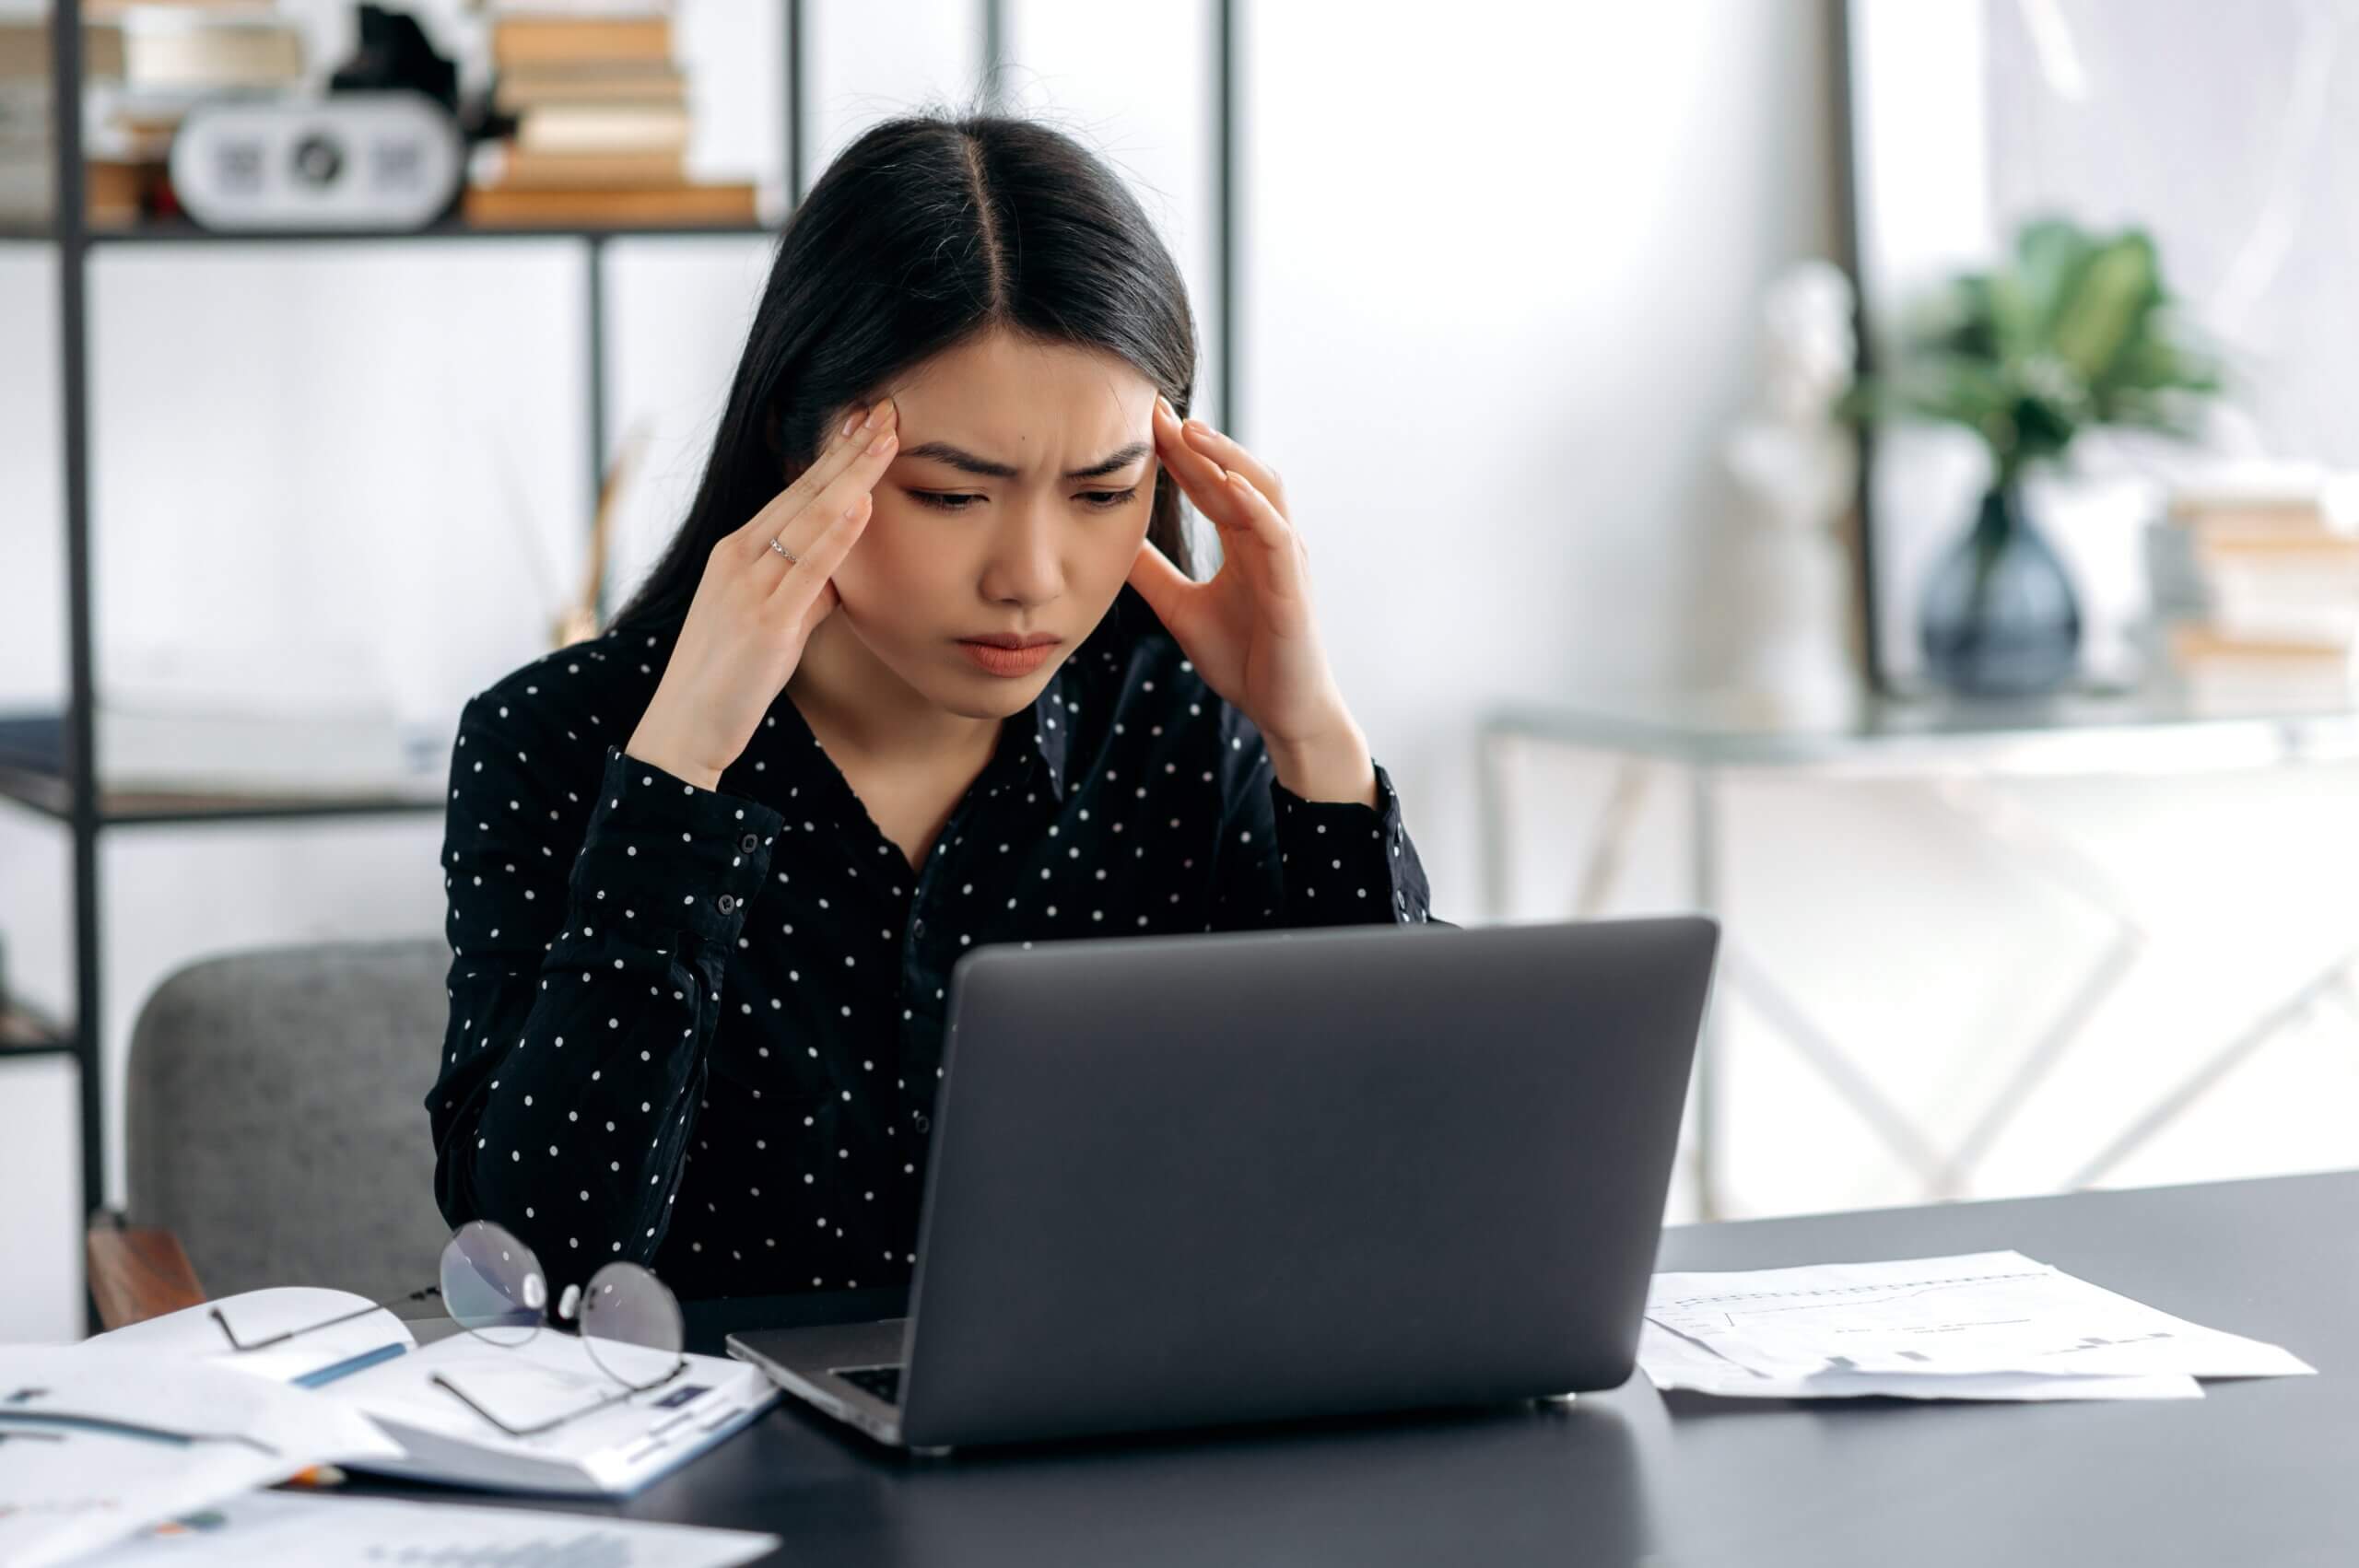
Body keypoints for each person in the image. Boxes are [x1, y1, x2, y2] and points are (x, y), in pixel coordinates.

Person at [427, 106, 1450, 1303]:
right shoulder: (558, 741)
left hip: (1121, 1456)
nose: (1032, 577)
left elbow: (1402, 1175)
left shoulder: (1179, 725)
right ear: (798, 448)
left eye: (1101, 491)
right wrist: (683, 763)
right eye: (953, 495)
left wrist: (1312, 737)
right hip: (715, 1468)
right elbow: (539, 1264)